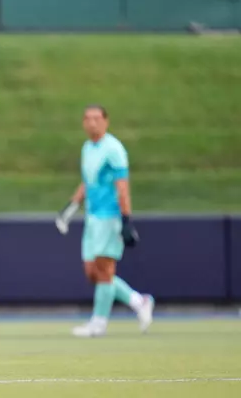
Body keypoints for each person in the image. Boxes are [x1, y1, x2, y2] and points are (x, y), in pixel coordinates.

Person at [55, 105, 154, 338]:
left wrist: (126, 219)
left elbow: (123, 187)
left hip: (110, 217)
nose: (92, 123)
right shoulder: (87, 148)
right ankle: (139, 301)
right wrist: (71, 207)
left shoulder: (114, 149)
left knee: (104, 269)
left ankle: (98, 323)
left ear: (106, 121)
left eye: (97, 118)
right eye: (88, 119)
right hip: (92, 216)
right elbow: (87, 181)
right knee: (92, 272)